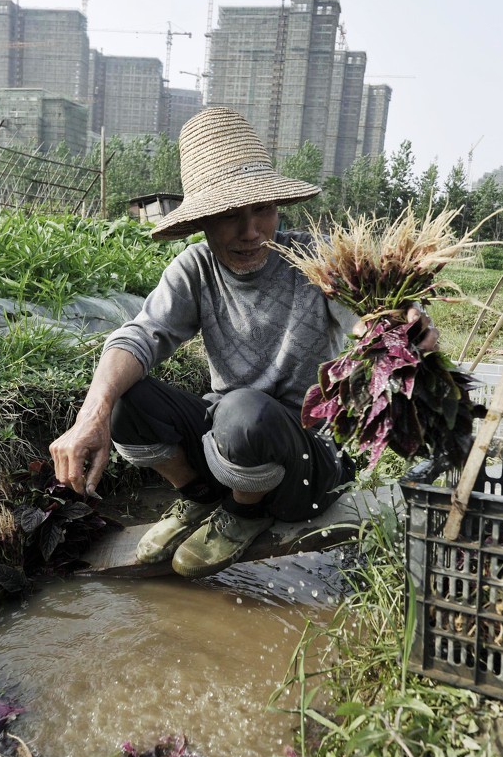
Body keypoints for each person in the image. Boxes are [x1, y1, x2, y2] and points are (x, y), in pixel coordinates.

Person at [50, 106, 435, 579]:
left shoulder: (316, 261)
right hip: (229, 444)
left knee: (244, 413)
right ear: (203, 222)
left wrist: (401, 331)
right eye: (231, 215)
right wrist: (93, 415)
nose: (251, 232)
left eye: (262, 211)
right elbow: (140, 336)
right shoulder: (196, 269)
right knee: (126, 402)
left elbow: (367, 319)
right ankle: (203, 498)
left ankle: (244, 514)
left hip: (308, 460)